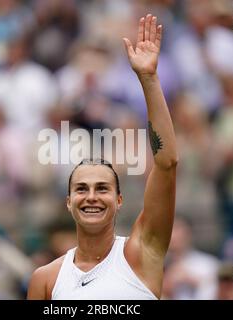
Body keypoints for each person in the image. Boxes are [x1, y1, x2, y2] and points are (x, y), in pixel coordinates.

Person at [27, 14, 178, 300]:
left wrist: (148, 79)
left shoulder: (142, 253)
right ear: (69, 201)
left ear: (119, 201)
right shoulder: (45, 279)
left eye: (103, 188)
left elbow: (167, 163)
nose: (92, 196)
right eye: (81, 189)